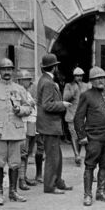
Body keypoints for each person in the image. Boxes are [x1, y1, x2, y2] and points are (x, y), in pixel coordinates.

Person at [0, 58, 32, 205]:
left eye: (9, 69)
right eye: (4, 69)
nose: (6, 72)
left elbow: (29, 108)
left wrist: (20, 110)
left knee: (15, 163)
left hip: (16, 133)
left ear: (13, 71)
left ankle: (13, 192)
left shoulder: (19, 89)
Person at [74, 67, 105, 206]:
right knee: (90, 166)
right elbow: (78, 118)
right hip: (93, 137)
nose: (101, 80)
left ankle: (101, 193)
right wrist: (82, 136)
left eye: (103, 78)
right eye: (97, 78)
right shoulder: (86, 95)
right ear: (92, 81)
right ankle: (87, 195)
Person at [36, 53, 73, 194]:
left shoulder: (44, 80)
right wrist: (62, 104)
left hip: (49, 125)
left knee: (56, 155)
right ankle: (50, 186)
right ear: (54, 67)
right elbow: (47, 105)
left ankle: (58, 182)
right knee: (52, 157)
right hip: (50, 126)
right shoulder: (48, 83)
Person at [15, 69, 37, 191]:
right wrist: (30, 104)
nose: (29, 82)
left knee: (27, 152)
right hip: (22, 125)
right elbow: (17, 108)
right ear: (20, 80)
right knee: (22, 153)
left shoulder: (26, 91)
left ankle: (24, 176)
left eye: (29, 79)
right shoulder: (17, 91)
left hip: (30, 124)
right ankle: (21, 180)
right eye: (26, 79)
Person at [63, 67, 87, 166]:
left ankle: (78, 154)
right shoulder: (68, 86)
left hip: (83, 116)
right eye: (77, 76)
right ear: (74, 76)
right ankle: (76, 155)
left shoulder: (86, 86)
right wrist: (74, 90)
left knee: (81, 136)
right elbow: (65, 98)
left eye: (80, 76)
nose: (79, 78)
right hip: (72, 114)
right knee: (74, 135)